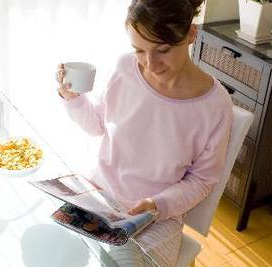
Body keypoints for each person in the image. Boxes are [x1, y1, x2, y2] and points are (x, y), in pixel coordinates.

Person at [56, 0, 233, 266]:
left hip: (154, 218)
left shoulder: (215, 106)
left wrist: (157, 204)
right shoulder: (123, 68)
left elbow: (202, 180)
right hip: (99, 196)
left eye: (163, 50)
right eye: (139, 50)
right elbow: (97, 125)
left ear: (191, 34)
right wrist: (72, 98)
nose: (151, 63)